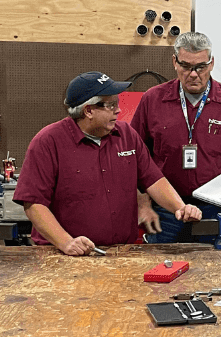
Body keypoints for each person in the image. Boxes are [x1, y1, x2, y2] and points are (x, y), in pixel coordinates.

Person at [15, 72, 202, 256]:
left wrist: (180, 207)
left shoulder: (127, 135)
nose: (118, 110)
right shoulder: (48, 142)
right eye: (111, 105)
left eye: (117, 103)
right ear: (88, 110)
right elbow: (34, 204)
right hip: (62, 254)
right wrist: (66, 242)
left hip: (120, 252)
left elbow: (153, 180)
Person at [131, 32, 221, 243]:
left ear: (211, 63)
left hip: (220, 210)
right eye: (186, 66)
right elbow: (137, 160)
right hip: (166, 210)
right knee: (162, 268)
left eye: (200, 67)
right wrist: (143, 204)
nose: (193, 74)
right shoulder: (152, 100)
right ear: (174, 61)